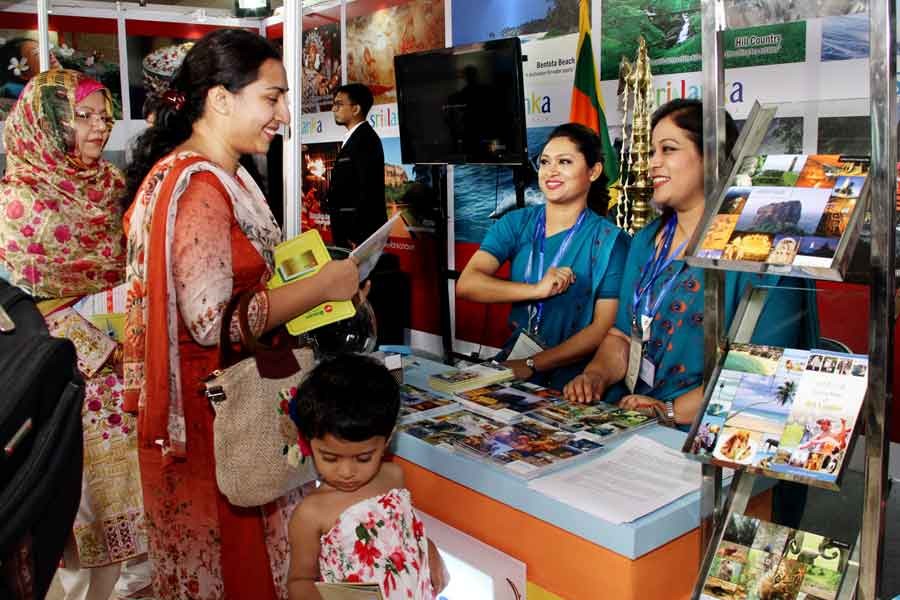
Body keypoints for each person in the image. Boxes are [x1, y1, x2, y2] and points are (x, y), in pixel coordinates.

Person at [122, 29, 360, 599]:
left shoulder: (219, 175)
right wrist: (321, 286)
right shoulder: (199, 185)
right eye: (272, 97)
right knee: (238, 570)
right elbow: (215, 322)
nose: (281, 113)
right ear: (221, 99)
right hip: (218, 417)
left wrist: (321, 287)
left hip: (228, 400)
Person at [564, 99, 818, 421]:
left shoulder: (759, 251)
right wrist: (596, 375)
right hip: (634, 416)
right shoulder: (646, 242)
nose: (652, 163)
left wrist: (669, 411)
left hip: (709, 427)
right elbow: (622, 335)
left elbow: (764, 369)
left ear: (711, 157)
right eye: (651, 152)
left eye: (668, 150)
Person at [0, 69, 152, 600]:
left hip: (124, 370)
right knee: (71, 496)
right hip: (63, 374)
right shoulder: (15, 202)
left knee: (128, 498)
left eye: (104, 116)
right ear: (47, 122)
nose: (99, 127)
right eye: (82, 116)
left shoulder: (112, 188)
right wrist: (88, 346)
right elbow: (15, 309)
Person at [456, 123, 630, 390]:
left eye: (565, 162)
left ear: (593, 171)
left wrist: (532, 364)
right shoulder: (515, 223)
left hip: (580, 380)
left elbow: (602, 329)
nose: (551, 171)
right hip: (514, 363)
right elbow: (468, 285)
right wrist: (536, 290)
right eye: (545, 161)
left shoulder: (611, 242)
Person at [286, 354, 447, 600]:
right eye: (330, 458)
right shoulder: (310, 513)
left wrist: (431, 550)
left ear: (387, 440)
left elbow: (405, 533)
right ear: (310, 441)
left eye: (363, 458)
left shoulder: (394, 477)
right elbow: (299, 581)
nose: (346, 472)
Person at [327, 82, 386, 249]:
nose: (333, 109)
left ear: (356, 109)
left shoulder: (366, 140)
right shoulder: (356, 139)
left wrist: (357, 236)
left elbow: (368, 191)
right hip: (349, 235)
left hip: (357, 237)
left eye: (339, 104)